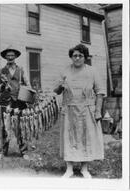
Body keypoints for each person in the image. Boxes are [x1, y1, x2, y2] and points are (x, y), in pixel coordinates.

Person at [53, 44, 105, 178]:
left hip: (87, 110)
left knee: (85, 137)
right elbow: (56, 90)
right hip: (69, 109)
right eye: (74, 55)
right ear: (71, 57)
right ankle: (69, 168)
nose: (77, 58)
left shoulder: (92, 71)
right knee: (68, 138)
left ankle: (84, 168)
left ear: (85, 57)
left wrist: (98, 111)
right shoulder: (65, 71)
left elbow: (100, 92)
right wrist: (60, 85)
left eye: (80, 56)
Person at [0, 46, 30, 160]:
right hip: (5, 103)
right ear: (5, 57)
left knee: (20, 127)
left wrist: (25, 94)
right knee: (5, 127)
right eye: (8, 56)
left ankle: (23, 152)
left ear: (15, 57)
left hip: (18, 103)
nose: (10, 57)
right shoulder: (1, 72)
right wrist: (3, 85)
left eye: (12, 55)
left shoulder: (21, 70)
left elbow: (28, 85)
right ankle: (3, 152)